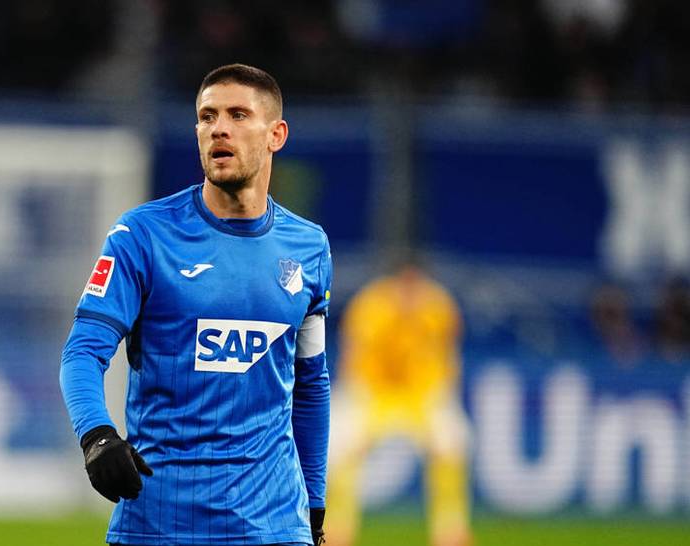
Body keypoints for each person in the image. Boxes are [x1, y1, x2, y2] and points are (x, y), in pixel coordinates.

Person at [60, 64, 332, 545]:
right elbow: (83, 350)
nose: (219, 129)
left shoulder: (309, 248)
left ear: (276, 134)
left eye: (238, 115)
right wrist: (96, 434)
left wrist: (313, 503)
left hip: (273, 526)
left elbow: (311, 383)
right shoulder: (142, 235)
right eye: (207, 117)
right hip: (158, 522)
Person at [326, 254, 471, 546]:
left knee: (453, 441)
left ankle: (451, 530)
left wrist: (444, 395)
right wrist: (351, 396)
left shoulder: (438, 305)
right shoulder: (371, 304)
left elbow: (449, 356)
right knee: (338, 444)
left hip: (421, 393)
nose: (409, 292)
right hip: (374, 391)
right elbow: (352, 357)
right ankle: (334, 528)